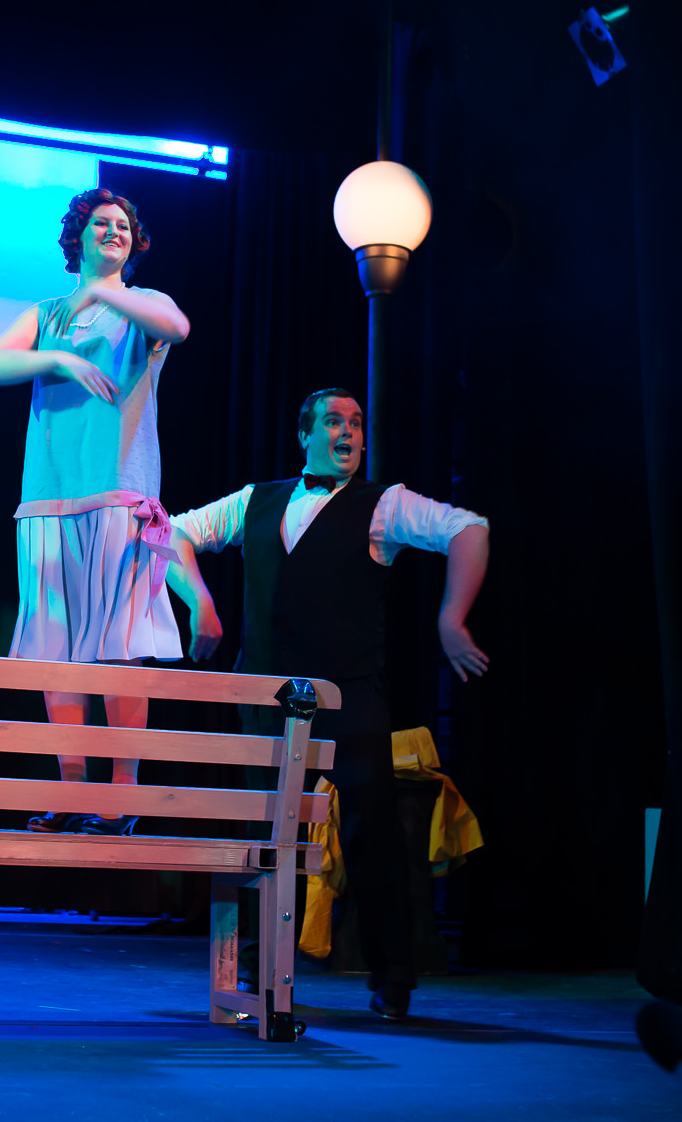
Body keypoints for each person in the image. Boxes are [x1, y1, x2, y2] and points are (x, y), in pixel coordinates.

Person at [166, 388, 490, 1020]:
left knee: (371, 829)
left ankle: (392, 972)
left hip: (348, 691)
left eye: (357, 423)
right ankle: (259, 965)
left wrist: (452, 618)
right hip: (266, 690)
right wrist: (200, 603)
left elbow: (468, 528)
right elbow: (175, 532)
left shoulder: (384, 505)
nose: (348, 432)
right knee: (266, 829)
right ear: (305, 435)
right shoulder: (257, 501)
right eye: (335, 421)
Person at [0, 188, 190, 835]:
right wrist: (59, 356)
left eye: (123, 225)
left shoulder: (143, 304)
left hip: (117, 493)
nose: (113, 231)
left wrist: (105, 292)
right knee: (58, 649)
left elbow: (178, 328)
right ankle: (70, 790)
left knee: (120, 648)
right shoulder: (47, 313)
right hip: (48, 498)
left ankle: (121, 798)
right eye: (101, 223)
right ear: (79, 235)